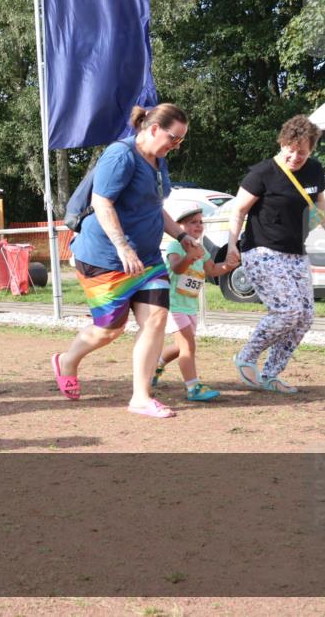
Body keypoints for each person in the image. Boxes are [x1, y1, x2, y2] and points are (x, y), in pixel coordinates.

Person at [51, 103, 195, 419]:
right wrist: (123, 247)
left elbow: (153, 206)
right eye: (174, 138)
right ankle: (67, 361)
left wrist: (182, 235)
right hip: (104, 258)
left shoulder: (158, 160)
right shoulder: (120, 155)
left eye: (181, 140)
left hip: (148, 259)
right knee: (109, 330)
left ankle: (141, 398)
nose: (176, 145)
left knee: (156, 318)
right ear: (153, 129)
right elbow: (102, 202)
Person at [225, 115, 325, 393]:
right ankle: (246, 357)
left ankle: (270, 374)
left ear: (311, 150)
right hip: (261, 249)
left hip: (296, 253)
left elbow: (321, 210)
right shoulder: (262, 173)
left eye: (303, 151)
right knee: (288, 311)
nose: (296, 156)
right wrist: (231, 245)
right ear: (282, 143)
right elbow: (238, 210)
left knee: (305, 316)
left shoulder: (315, 170)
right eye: (291, 149)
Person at [152, 200, 240, 401]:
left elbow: (212, 270)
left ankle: (156, 365)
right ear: (179, 226)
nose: (199, 225)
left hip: (190, 306)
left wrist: (229, 266)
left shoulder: (202, 250)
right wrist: (190, 257)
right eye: (193, 222)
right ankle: (193, 387)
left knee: (181, 346)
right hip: (173, 305)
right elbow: (176, 268)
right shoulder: (176, 245)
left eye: (200, 222)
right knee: (188, 346)